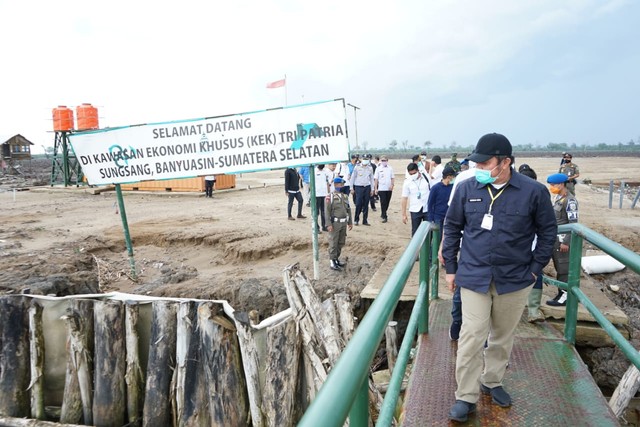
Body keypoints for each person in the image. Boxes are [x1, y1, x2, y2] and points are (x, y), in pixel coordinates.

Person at [443, 133, 557, 422]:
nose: (478, 168)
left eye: (485, 163)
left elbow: (547, 233)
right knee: (472, 335)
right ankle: (465, 396)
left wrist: (535, 268)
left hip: (515, 278)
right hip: (473, 275)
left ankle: (492, 381)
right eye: (476, 163)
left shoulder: (533, 192)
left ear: (505, 162)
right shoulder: (467, 188)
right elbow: (452, 226)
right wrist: (451, 269)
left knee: (502, 336)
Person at [546, 173, 579, 307]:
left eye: (553, 185)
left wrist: (566, 242)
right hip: (555, 237)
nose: (551, 187)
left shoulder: (570, 201)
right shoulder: (558, 197)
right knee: (558, 267)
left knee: (563, 268)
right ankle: (560, 293)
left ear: (561, 184)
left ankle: (565, 296)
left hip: (562, 240)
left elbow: (573, 223)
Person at [518, 166, 546, 322]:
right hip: (523, 245)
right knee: (535, 274)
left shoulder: (538, 194)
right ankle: (533, 310)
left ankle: (532, 310)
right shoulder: (536, 192)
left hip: (527, 244)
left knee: (535, 273)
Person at [325, 177, 353, 271]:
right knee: (333, 242)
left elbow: (348, 210)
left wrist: (350, 222)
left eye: (342, 184)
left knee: (341, 242)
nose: (342, 186)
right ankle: (332, 261)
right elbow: (327, 212)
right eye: (341, 184)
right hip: (335, 223)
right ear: (336, 185)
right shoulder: (330, 197)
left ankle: (336, 259)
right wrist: (328, 224)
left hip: (343, 222)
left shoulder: (345, 196)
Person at [401, 162, 431, 236]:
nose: (412, 175)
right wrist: (404, 214)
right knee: (415, 231)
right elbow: (404, 198)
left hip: (427, 208)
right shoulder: (407, 182)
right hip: (415, 209)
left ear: (418, 171)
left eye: (414, 173)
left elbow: (433, 191)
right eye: (410, 174)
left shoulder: (426, 178)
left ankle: (428, 247)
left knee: (428, 231)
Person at [350, 154, 374, 226]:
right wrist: (351, 188)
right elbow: (352, 178)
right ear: (362, 159)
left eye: (367, 159)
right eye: (364, 159)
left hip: (367, 187)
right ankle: (356, 219)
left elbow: (372, 179)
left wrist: (372, 189)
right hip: (358, 187)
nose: (365, 160)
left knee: (366, 204)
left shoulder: (370, 168)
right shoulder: (357, 167)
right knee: (358, 204)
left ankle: (365, 220)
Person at [427, 166, 455, 230]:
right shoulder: (435, 188)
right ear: (448, 177)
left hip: (449, 217)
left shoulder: (453, 187)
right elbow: (430, 204)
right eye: (453, 176)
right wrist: (431, 219)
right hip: (438, 217)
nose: (454, 178)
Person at [374, 155, 395, 223]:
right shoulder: (378, 168)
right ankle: (384, 216)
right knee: (383, 202)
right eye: (382, 160)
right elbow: (376, 179)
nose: (383, 162)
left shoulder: (390, 168)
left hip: (389, 188)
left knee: (387, 202)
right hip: (381, 188)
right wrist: (375, 188)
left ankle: (383, 212)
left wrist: (392, 185)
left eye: (385, 160)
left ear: (387, 161)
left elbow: (392, 177)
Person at [314, 164, 331, 232]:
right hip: (316, 194)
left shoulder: (325, 171)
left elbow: (327, 182)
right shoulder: (314, 171)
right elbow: (310, 183)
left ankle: (324, 226)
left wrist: (328, 193)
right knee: (316, 212)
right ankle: (316, 227)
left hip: (324, 194)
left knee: (324, 211)